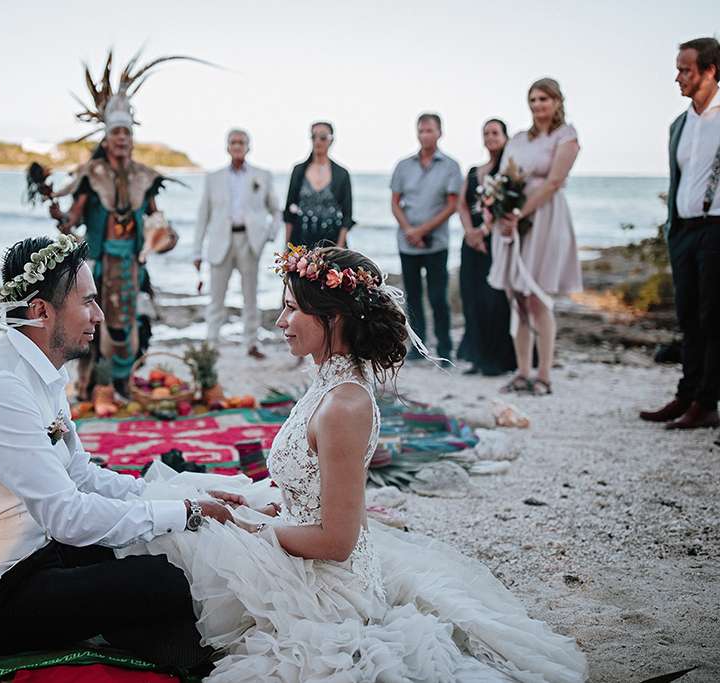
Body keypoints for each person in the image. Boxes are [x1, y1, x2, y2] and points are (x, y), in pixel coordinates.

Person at [119, 244, 588, 681]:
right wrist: (261, 509)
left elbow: (337, 541)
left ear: (333, 318)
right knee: (184, 507)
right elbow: (315, 496)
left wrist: (249, 527)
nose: (280, 321)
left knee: (189, 534)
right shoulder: (328, 377)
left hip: (326, 585)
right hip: (295, 538)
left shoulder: (344, 406)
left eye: (292, 308)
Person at [0, 234, 234, 668]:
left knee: (158, 545)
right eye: (88, 302)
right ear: (41, 311)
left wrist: (171, 497)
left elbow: (81, 475)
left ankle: (145, 634)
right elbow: (67, 516)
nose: (99, 315)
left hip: (38, 553)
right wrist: (185, 511)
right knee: (166, 579)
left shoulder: (41, 370)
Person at [51, 52, 191, 397]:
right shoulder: (92, 174)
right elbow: (73, 217)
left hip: (132, 263)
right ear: (106, 138)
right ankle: (94, 384)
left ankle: (124, 383)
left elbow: (156, 219)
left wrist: (165, 237)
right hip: (100, 262)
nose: (122, 139)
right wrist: (62, 219)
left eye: (127, 133)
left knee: (134, 324)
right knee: (92, 322)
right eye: (116, 133)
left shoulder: (144, 177)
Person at [640, 37, 720, 430]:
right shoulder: (680, 124)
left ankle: (707, 403)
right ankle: (687, 395)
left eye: (685, 70)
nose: (677, 78)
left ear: (710, 71)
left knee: (713, 317)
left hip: (717, 227)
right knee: (687, 315)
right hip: (683, 230)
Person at [487, 79, 582, 396]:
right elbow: (504, 179)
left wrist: (520, 213)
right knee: (517, 299)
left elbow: (554, 182)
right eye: (533, 99)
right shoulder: (517, 139)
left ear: (557, 101)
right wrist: (499, 212)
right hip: (512, 221)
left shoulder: (565, 136)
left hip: (544, 219)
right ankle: (522, 372)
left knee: (538, 298)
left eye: (544, 98)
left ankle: (544, 376)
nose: (538, 104)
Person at [194, 128, 283, 359]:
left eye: (241, 142)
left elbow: (276, 210)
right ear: (227, 147)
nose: (237, 146)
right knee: (216, 297)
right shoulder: (213, 178)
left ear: (248, 146)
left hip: (250, 242)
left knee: (250, 296)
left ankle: (252, 343)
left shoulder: (262, 175)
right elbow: (203, 216)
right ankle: (211, 344)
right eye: (233, 142)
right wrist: (197, 251)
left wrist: (270, 234)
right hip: (220, 242)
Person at [391, 113, 462, 361]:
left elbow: (452, 205)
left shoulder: (450, 166)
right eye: (421, 130)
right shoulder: (403, 166)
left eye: (429, 130)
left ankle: (445, 348)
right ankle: (418, 348)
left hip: (436, 244)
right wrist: (410, 230)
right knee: (412, 298)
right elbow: (395, 202)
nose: (425, 135)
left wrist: (422, 231)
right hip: (407, 243)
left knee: (438, 297)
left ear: (440, 133)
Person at [456, 119, 518, 376]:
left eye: (495, 133)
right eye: (486, 133)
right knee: (471, 298)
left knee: (495, 300)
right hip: (471, 243)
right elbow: (461, 204)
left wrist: (484, 232)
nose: (490, 137)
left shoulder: (509, 171)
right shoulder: (474, 171)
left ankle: (497, 360)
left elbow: (508, 207)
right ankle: (477, 357)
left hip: (496, 243)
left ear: (505, 137)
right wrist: (470, 232)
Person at [283, 121, 354, 249]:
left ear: (331, 140)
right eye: (313, 136)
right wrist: (287, 247)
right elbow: (289, 212)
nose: (317, 141)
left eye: (322, 137)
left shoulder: (342, 174)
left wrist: (339, 247)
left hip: (331, 243)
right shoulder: (299, 171)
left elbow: (347, 215)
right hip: (300, 242)